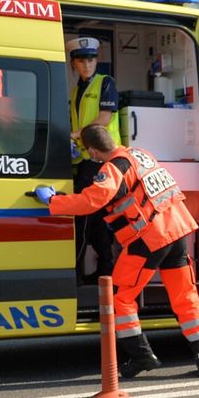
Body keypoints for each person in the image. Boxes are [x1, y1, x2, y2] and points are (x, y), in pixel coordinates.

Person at [34, 125, 199, 379]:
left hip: (150, 238)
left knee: (120, 297)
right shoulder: (140, 154)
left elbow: (91, 201)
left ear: (94, 151)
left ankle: (142, 356)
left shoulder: (111, 169)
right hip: (178, 230)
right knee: (184, 294)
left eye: (89, 152)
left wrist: (54, 201)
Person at [66, 36, 121, 277]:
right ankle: (103, 269)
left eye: (91, 59)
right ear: (73, 64)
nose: (87, 65)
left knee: (84, 220)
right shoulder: (77, 90)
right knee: (95, 220)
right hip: (87, 158)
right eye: (81, 61)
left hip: (104, 159)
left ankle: (79, 274)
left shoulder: (105, 83)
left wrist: (75, 134)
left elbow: (104, 119)